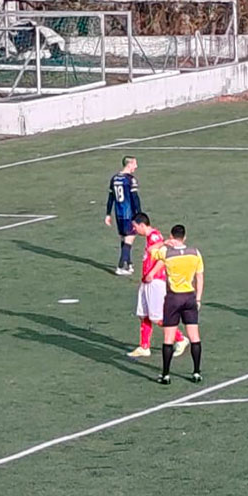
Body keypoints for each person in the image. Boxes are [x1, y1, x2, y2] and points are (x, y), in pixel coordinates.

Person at [127, 213, 183, 359]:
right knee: (143, 314)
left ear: (142, 225)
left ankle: (181, 339)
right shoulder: (149, 238)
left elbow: (164, 257)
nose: (134, 230)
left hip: (155, 281)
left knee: (157, 317)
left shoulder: (155, 237)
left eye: (135, 226)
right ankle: (144, 346)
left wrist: (152, 273)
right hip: (146, 281)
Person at [157, 224, 204, 384]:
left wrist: (164, 242)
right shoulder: (195, 253)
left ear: (172, 236)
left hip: (173, 298)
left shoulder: (166, 252)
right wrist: (198, 298)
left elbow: (151, 252)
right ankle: (197, 372)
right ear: (184, 237)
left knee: (168, 338)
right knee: (194, 336)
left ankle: (166, 374)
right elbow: (200, 277)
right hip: (190, 297)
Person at [103, 156, 143, 276]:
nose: (136, 166)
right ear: (129, 164)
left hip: (118, 214)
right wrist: (139, 214)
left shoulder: (114, 178)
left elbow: (111, 198)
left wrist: (108, 214)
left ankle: (129, 263)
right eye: (135, 164)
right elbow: (135, 198)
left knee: (124, 238)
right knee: (129, 239)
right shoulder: (130, 179)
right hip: (128, 213)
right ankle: (120, 266)